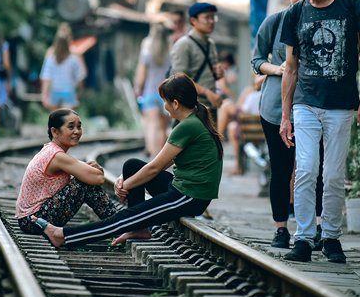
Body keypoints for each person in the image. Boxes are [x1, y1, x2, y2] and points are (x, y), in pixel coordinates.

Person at [26, 73, 223, 248]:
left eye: (165, 101)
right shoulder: (192, 122)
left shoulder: (187, 126)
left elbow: (155, 168)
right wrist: (126, 179)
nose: (164, 107)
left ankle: (64, 236)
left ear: (176, 103)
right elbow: (160, 164)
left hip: (189, 197)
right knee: (132, 166)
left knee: (125, 218)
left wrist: (125, 185)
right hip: (184, 189)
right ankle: (140, 228)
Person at [279, 0, 360, 263]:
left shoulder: (351, 4)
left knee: (333, 174)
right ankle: (304, 238)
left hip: (341, 104)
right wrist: (285, 115)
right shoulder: (294, 14)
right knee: (306, 169)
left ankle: (331, 237)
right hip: (306, 103)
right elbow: (290, 67)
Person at [253, 0, 324, 248]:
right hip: (274, 106)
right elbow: (257, 59)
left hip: (314, 104)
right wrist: (278, 69)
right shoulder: (275, 21)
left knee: (314, 169)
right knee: (281, 170)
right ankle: (281, 228)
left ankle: (318, 227)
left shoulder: (323, 21)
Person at [16, 109, 121, 235]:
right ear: (54, 132)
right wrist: (95, 171)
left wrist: (93, 171)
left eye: (79, 126)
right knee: (84, 184)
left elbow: (94, 175)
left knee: (84, 180)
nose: (77, 131)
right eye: (71, 127)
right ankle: (120, 224)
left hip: (33, 218)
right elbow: (97, 179)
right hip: (34, 220)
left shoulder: (51, 150)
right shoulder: (56, 155)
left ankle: (118, 223)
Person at [170, 2, 222, 124]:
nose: (211, 21)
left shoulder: (211, 44)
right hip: (190, 108)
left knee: (211, 143)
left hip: (210, 107)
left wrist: (218, 73)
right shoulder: (184, 44)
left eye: (213, 17)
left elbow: (212, 74)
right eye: (207, 17)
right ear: (193, 20)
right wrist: (207, 92)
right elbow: (179, 78)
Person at [134, 22, 172, 157]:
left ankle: (152, 155)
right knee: (162, 127)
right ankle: (160, 158)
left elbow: (141, 73)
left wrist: (138, 88)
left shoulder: (147, 51)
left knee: (151, 125)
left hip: (149, 92)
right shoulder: (170, 50)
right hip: (166, 94)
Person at [217, 74, 263, 176]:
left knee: (225, 105)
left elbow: (242, 110)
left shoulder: (251, 92)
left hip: (251, 125)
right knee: (232, 126)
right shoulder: (251, 91)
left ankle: (218, 141)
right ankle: (237, 165)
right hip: (253, 127)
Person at [40, 25, 86, 110]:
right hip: (69, 92)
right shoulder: (74, 56)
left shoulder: (50, 55)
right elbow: (81, 75)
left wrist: (44, 95)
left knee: (55, 119)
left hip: (54, 91)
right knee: (66, 119)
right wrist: (79, 92)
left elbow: (46, 77)